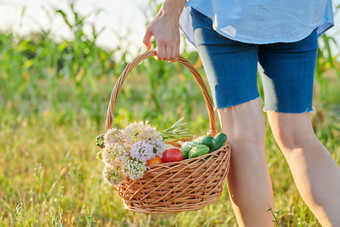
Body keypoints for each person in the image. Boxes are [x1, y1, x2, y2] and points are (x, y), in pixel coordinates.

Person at [143, 0, 340, 226]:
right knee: (299, 138)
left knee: (242, 138)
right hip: (296, 13)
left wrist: (169, 13)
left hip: (228, 13)